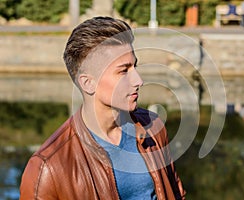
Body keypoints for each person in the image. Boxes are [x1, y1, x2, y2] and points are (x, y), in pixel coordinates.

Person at [19, 16, 186, 199]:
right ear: (88, 83)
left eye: (135, 66)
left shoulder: (152, 126)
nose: (139, 80)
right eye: (123, 71)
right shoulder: (47, 168)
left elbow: (175, 192)